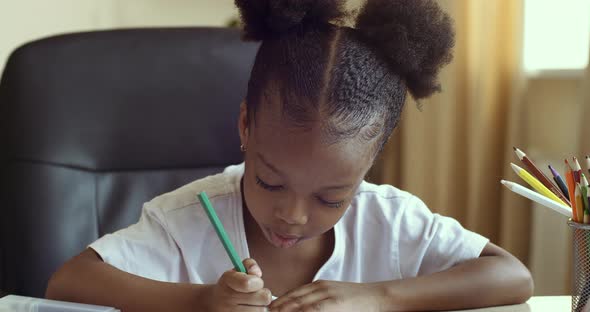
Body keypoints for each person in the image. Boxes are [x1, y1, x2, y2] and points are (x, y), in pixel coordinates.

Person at [45, 0, 534, 311]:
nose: (293, 216)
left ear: (370, 163)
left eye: (331, 197)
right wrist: (203, 300)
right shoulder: (191, 218)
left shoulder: (389, 220)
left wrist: (379, 296)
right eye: (271, 182)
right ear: (245, 127)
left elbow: (512, 276)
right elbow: (69, 282)